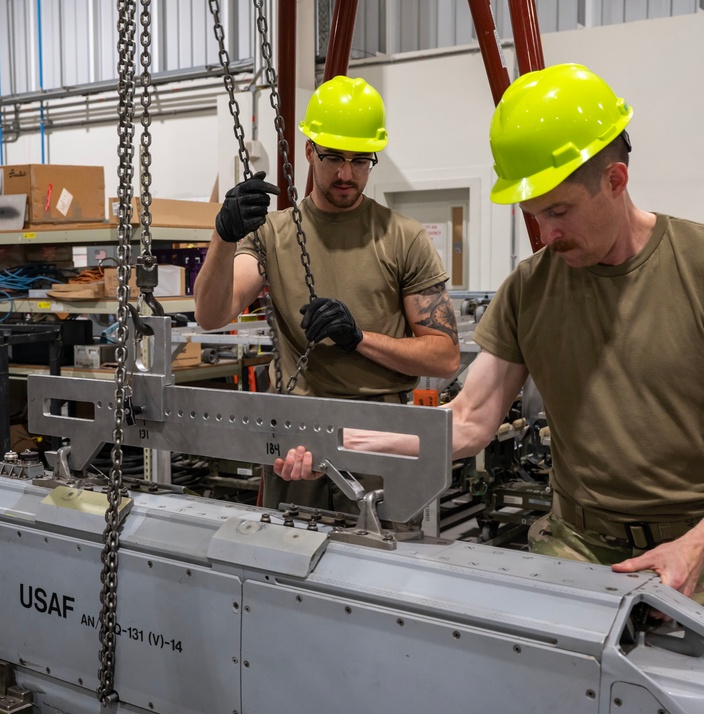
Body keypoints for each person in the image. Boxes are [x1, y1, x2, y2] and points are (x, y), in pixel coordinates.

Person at [275, 64, 704, 605]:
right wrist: (333, 445)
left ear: (615, 181)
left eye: (559, 211)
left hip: (694, 545)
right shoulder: (529, 287)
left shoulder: (695, 267)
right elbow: (471, 420)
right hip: (576, 543)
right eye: (533, 215)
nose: (546, 236)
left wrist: (694, 547)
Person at [194, 75, 459, 513]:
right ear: (309, 151)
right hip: (296, 439)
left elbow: (444, 357)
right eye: (334, 157)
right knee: (287, 563)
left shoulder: (403, 238)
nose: (345, 174)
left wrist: (359, 339)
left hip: (380, 437)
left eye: (360, 161)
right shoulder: (273, 234)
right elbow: (211, 314)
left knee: (380, 568)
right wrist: (223, 237)